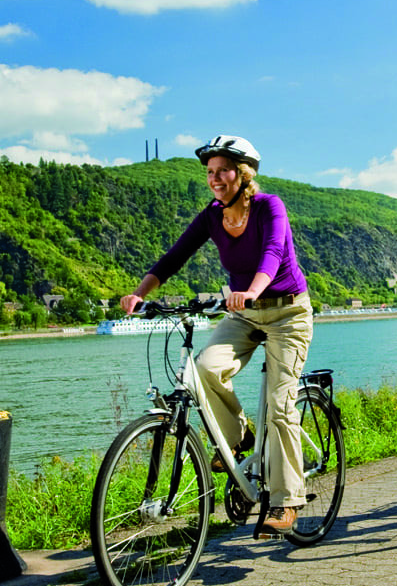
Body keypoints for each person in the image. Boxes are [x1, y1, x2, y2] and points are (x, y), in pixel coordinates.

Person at [120, 134, 313, 537]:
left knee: (280, 406)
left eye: (223, 170)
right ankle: (239, 438)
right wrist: (140, 293)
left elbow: (273, 254)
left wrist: (253, 291)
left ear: (243, 174)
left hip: (287, 312)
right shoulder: (212, 215)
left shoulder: (268, 207)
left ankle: (287, 499)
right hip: (244, 313)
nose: (215, 178)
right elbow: (174, 256)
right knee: (204, 370)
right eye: (210, 172)